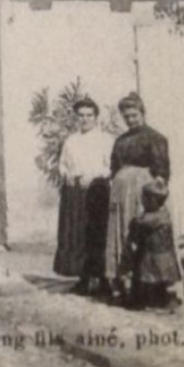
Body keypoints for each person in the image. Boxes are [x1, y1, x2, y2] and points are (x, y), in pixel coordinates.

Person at [104, 93, 170, 302]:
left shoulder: (156, 138)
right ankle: (120, 284)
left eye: (134, 115)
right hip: (120, 194)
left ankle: (148, 285)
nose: (131, 120)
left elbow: (161, 171)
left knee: (141, 234)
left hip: (143, 192)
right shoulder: (120, 140)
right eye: (127, 117)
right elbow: (114, 166)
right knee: (120, 233)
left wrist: (156, 194)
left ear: (142, 113)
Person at [53, 96, 115, 294]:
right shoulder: (71, 140)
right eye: (81, 115)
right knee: (77, 235)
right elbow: (62, 164)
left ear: (96, 117)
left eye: (89, 115)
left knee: (98, 234)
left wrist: (95, 178)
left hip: (98, 192)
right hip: (75, 193)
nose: (85, 119)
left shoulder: (106, 139)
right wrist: (67, 175)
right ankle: (84, 278)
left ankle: (104, 279)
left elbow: (112, 168)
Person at [123, 178, 183, 311]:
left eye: (146, 199)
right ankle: (152, 297)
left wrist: (135, 223)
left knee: (150, 274)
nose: (143, 202)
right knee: (153, 277)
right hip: (158, 254)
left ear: (155, 201)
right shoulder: (159, 215)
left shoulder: (158, 217)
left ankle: (162, 299)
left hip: (157, 255)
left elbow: (141, 222)